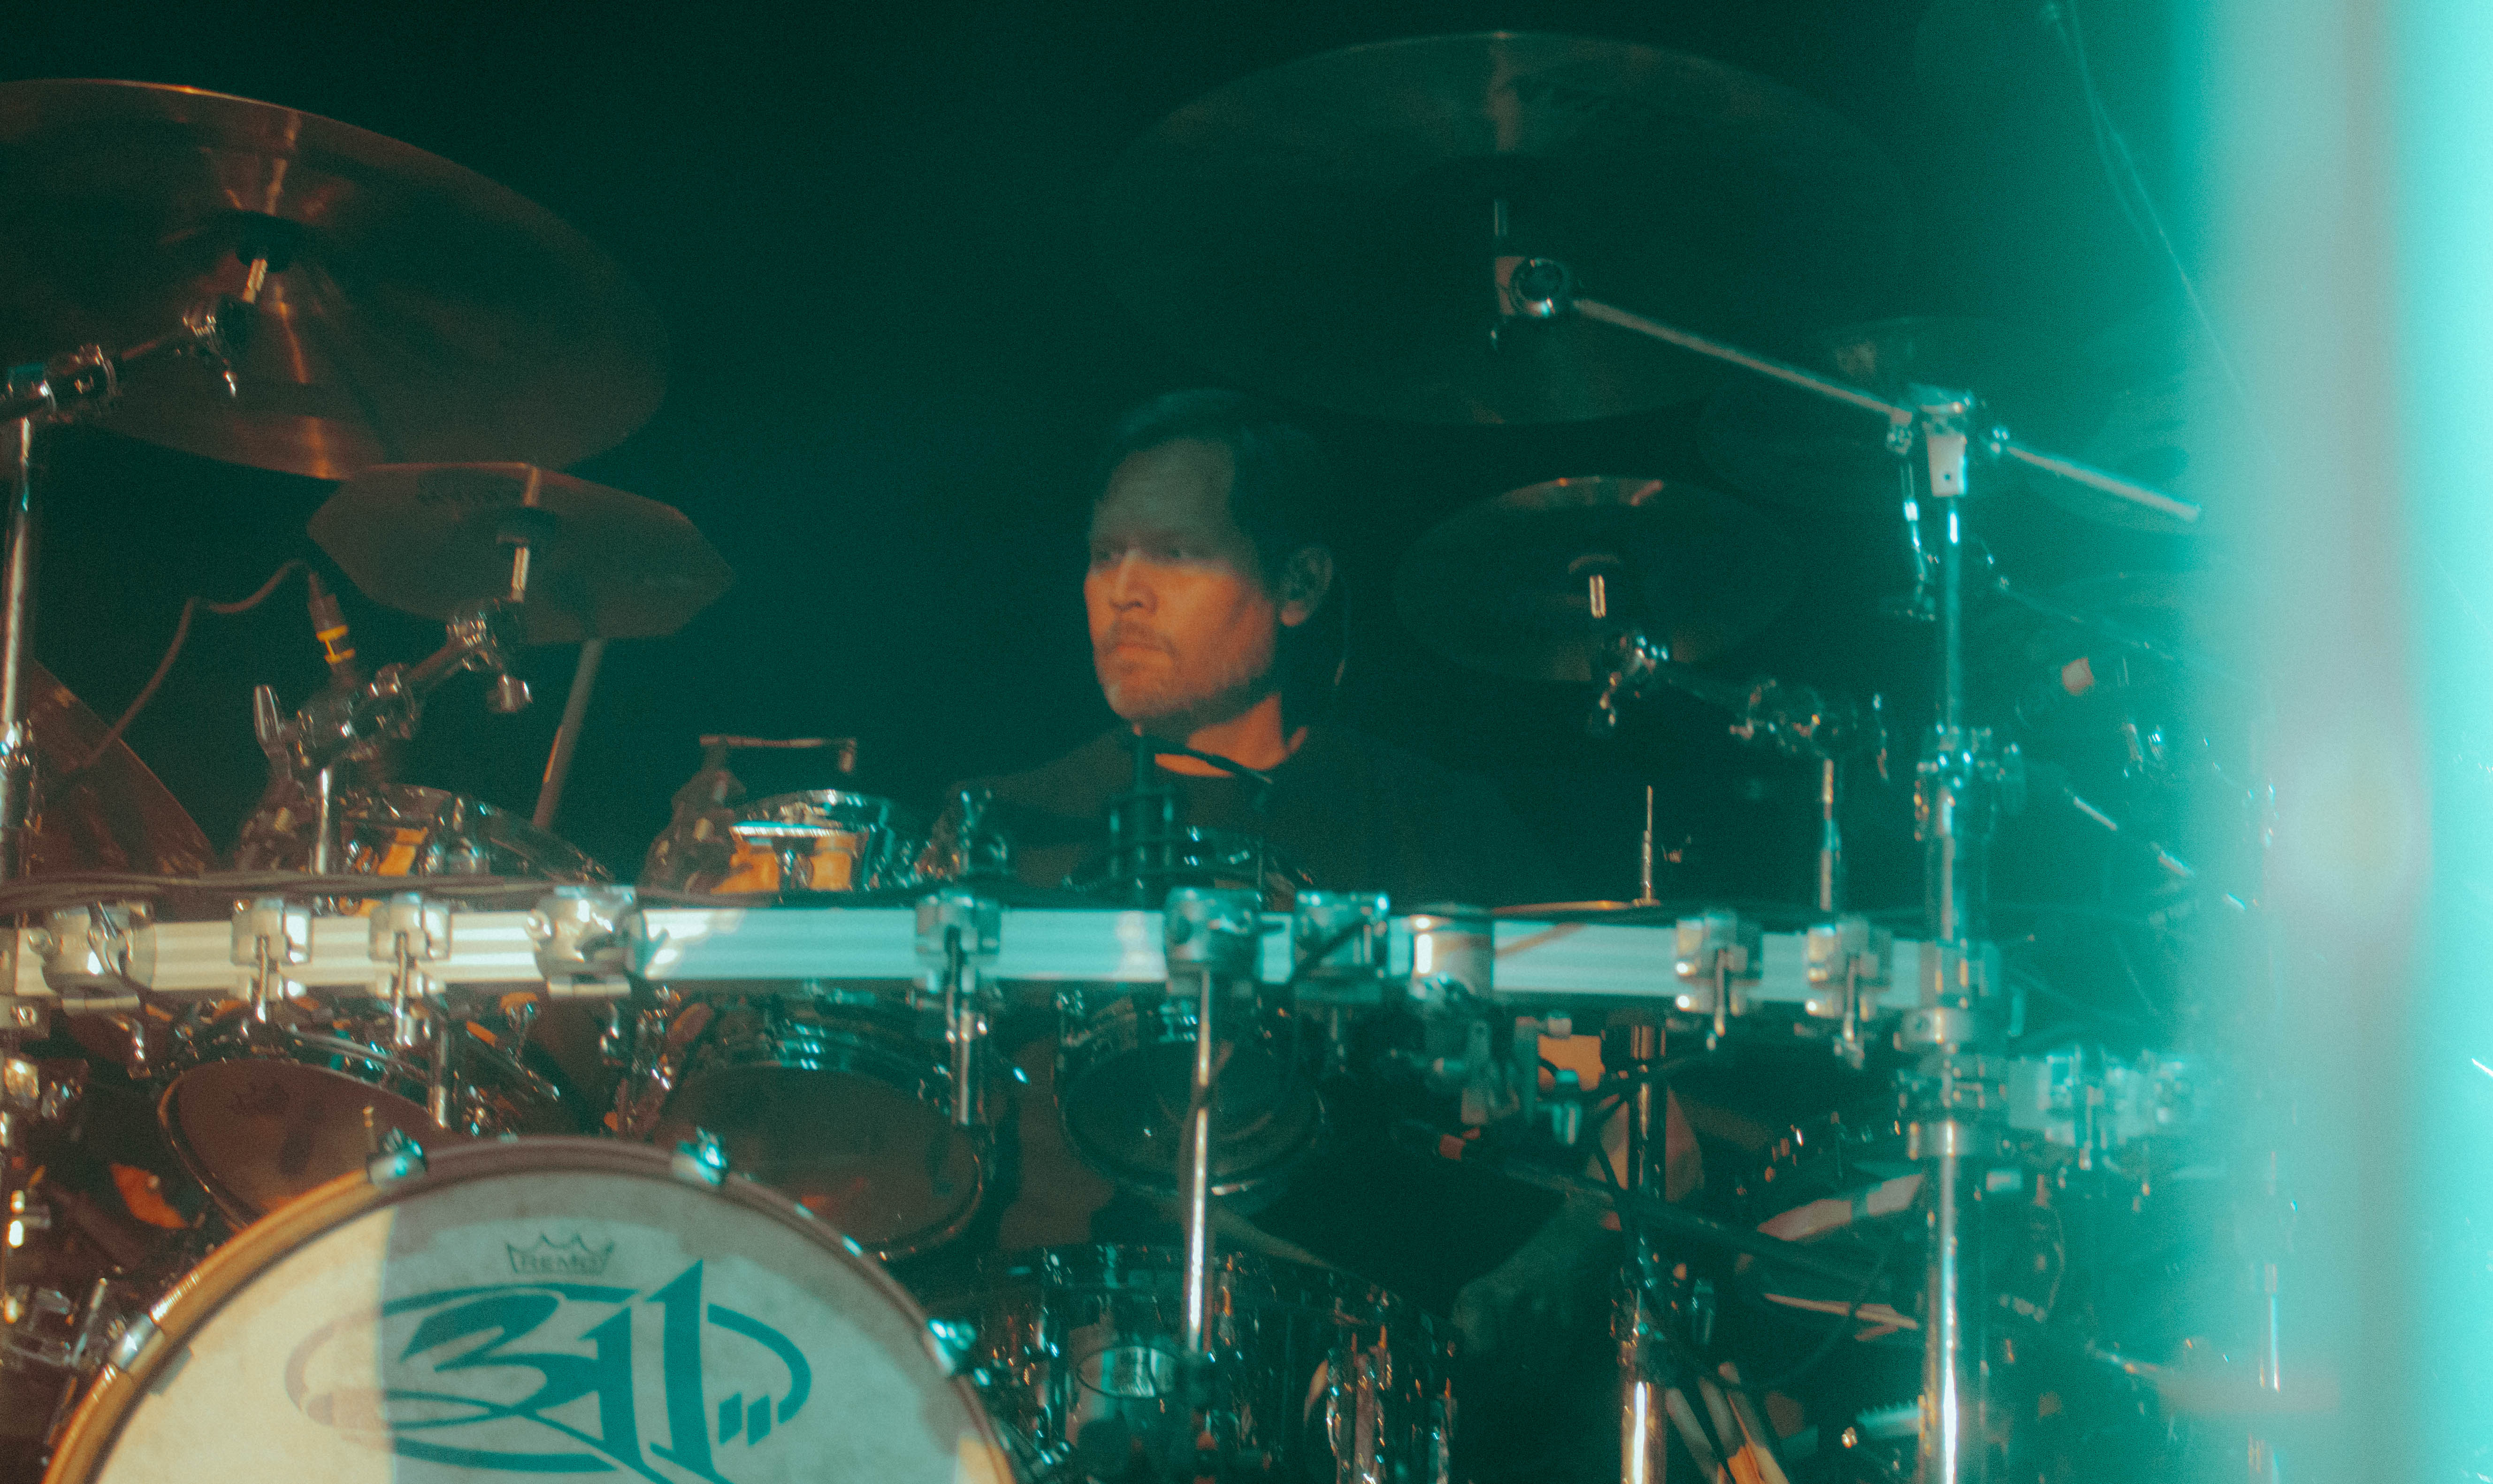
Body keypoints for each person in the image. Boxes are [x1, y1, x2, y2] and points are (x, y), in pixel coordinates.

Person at [933, 389, 1700, 1395]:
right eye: (1104, 554)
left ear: (1296, 584)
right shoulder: (1004, 826)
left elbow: (1646, 1124)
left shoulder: (1434, 826)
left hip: (1343, 1400)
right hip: (1030, 1390)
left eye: (1174, 555)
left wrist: (1549, 1266)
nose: (1124, 593)